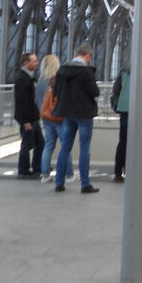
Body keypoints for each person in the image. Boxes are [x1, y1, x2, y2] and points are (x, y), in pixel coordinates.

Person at [53, 44, 100, 194]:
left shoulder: (62, 70)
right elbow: (94, 92)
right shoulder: (86, 72)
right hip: (84, 113)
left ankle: (59, 183)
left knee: (65, 148)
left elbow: (56, 91)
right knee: (84, 148)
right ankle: (85, 184)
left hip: (67, 113)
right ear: (88, 56)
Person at [112, 64, 142, 182]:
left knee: (123, 142)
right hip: (141, 110)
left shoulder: (124, 70)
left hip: (125, 109)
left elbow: (115, 90)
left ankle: (118, 172)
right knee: (140, 142)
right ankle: (135, 171)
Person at [35, 54, 72, 183]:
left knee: (48, 145)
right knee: (65, 145)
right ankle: (69, 174)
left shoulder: (39, 83)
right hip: (59, 118)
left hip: (45, 118)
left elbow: (37, 102)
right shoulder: (58, 80)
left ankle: (45, 174)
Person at [13, 52, 44, 178]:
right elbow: (22, 101)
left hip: (33, 117)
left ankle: (37, 167)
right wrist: (25, 121)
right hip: (27, 119)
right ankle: (23, 169)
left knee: (40, 143)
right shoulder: (22, 79)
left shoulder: (30, 77)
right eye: (34, 61)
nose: (37, 63)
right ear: (26, 63)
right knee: (27, 144)